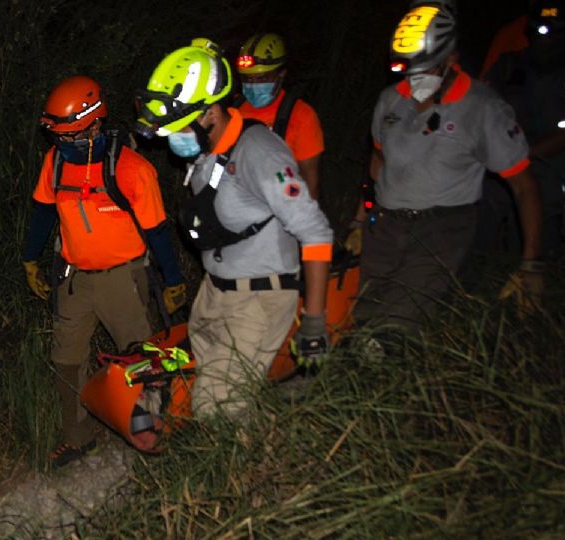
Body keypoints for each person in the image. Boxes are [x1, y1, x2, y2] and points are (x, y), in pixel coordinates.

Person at [135, 39, 333, 417]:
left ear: (210, 112)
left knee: (219, 411)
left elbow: (316, 231)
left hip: (259, 298)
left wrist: (314, 320)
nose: (171, 138)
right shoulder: (207, 151)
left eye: (178, 127)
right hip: (216, 293)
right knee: (218, 398)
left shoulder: (259, 151)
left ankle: (243, 471)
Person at [345, 4, 544, 337]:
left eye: (427, 68)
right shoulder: (390, 101)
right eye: (409, 68)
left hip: (441, 228)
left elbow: (525, 187)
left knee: (393, 327)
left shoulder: (483, 109)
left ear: (451, 57)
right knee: (353, 314)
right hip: (387, 225)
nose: (415, 78)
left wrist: (531, 264)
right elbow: (378, 164)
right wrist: (359, 221)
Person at [20, 75, 187, 468]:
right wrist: (30, 259)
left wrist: (174, 279)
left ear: (96, 123)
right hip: (75, 277)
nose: (62, 143)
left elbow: (158, 232)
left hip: (122, 279)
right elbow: (44, 213)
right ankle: (80, 438)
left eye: (71, 135)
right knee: (67, 362)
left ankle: (156, 436)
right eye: (57, 136)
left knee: (144, 362)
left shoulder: (131, 169)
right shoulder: (56, 162)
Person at [480, 0, 565, 258]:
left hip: (553, 167)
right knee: (481, 209)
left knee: (540, 228)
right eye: (537, 29)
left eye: (552, 31)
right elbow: (479, 110)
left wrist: (524, 155)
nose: (543, 38)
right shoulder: (509, 65)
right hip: (503, 161)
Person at [236, 33, 325, 199]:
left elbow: (310, 181)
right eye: (248, 79)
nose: (253, 85)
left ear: (281, 74)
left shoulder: (301, 116)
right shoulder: (234, 111)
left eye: (261, 78)